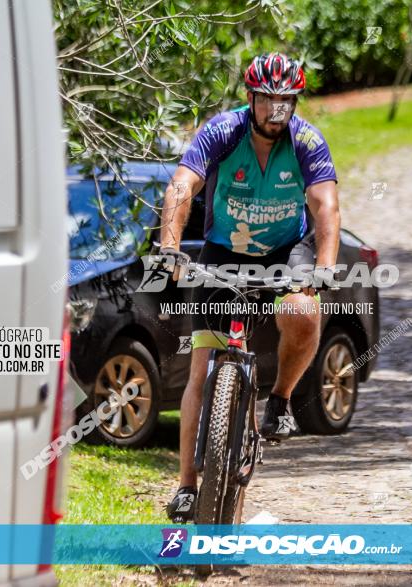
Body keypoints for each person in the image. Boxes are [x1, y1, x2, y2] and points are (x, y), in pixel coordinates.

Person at [159, 53, 340, 522]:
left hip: (286, 250)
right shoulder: (223, 131)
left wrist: (324, 266)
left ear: (295, 102)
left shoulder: (307, 141)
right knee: (201, 370)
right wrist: (170, 247)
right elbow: (183, 186)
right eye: (267, 100)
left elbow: (325, 207)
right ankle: (185, 485)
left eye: (286, 101)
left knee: (303, 311)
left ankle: (279, 399)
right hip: (224, 250)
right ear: (251, 98)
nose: (275, 110)